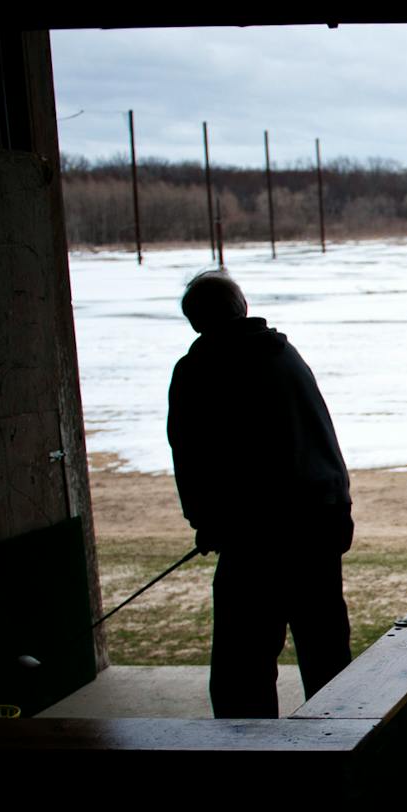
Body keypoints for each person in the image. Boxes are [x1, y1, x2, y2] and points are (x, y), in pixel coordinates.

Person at [167, 268, 356, 718]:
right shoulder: (284, 354)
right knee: (328, 658)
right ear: (244, 308)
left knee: (241, 671)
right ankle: (348, 760)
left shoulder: (199, 369)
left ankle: (251, 772)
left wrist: (207, 522)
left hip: (255, 540)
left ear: (196, 322)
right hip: (318, 525)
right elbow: (321, 440)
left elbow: (190, 456)